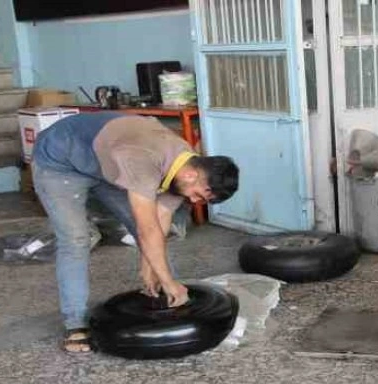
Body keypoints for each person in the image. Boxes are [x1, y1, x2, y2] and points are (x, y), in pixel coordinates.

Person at [31, 112, 239, 354]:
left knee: (145, 230)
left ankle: (165, 293)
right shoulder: (143, 158)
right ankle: (74, 322)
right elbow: (146, 228)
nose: (193, 201)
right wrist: (168, 279)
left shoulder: (181, 167)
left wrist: (150, 269)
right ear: (191, 174)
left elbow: (159, 224)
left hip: (105, 164)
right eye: (198, 195)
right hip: (60, 163)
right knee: (76, 239)